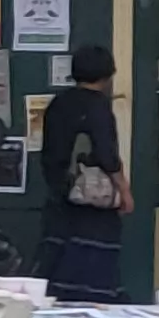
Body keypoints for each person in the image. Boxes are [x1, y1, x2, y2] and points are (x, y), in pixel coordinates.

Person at [41, 42, 128, 302]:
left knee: (59, 255)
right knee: (94, 263)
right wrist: (124, 189)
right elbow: (107, 155)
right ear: (107, 75)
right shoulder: (98, 107)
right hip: (91, 203)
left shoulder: (58, 104)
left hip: (59, 193)